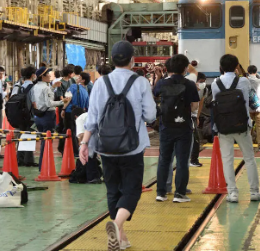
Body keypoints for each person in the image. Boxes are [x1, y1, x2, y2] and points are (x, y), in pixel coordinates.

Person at [80, 40, 156, 251]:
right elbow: (150, 115)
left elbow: (92, 117)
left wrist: (85, 143)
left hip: (105, 145)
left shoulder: (100, 83)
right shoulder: (140, 82)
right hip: (133, 145)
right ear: (132, 60)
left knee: (113, 190)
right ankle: (116, 224)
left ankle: (120, 239)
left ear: (112, 60)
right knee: (132, 190)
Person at [211, 55, 260, 203]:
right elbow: (252, 101)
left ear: (221, 67)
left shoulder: (215, 83)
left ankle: (232, 193)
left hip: (223, 127)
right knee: (249, 159)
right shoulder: (244, 81)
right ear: (236, 66)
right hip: (242, 125)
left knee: (227, 160)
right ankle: (254, 192)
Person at [154, 54, 199, 203]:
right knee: (182, 161)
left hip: (166, 126)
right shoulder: (190, 84)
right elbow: (194, 106)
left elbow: (153, 97)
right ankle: (179, 193)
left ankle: (161, 193)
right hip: (183, 128)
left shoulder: (162, 84)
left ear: (168, 68)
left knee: (164, 160)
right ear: (185, 69)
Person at [32, 66, 68, 170]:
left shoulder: (36, 87)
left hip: (38, 116)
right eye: (48, 74)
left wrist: (52, 87)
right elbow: (49, 103)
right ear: (42, 76)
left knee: (44, 140)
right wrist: (63, 102)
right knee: (47, 141)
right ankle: (45, 166)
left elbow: (44, 97)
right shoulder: (45, 87)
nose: (50, 75)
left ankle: (42, 165)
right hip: (48, 116)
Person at [11, 65, 37, 167]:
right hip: (30, 115)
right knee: (30, 136)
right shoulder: (32, 87)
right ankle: (29, 160)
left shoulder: (20, 86)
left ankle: (20, 159)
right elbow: (34, 102)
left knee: (22, 136)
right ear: (32, 75)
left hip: (21, 115)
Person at [61, 72, 90, 155]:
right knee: (77, 131)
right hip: (81, 113)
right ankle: (77, 149)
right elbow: (87, 105)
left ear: (83, 80)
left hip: (70, 111)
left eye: (79, 78)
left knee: (68, 131)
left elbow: (67, 99)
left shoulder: (73, 87)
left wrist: (63, 109)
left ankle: (70, 151)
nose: (77, 78)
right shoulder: (85, 91)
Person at [247, 65, 260, 152]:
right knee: (259, 126)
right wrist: (257, 74)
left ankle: (248, 144)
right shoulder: (259, 81)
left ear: (248, 71)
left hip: (248, 107)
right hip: (258, 106)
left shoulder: (245, 80)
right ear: (255, 71)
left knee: (248, 126)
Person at [190, 72, 207, 167]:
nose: (202, 84)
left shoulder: (204, 90)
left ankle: (193, 159)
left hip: (193, 116)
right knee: (193, 138)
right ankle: (192, 159)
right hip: (187, 115)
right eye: (201, 82)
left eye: (204, 82)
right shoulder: (189, 88)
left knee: (196, 138)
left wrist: (197, 117)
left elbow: (201, 103)